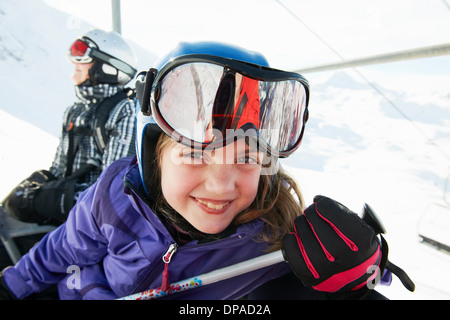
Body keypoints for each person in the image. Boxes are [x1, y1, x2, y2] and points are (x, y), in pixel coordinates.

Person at [0, 42, 413, 300]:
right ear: (153, 156)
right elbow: (61, 251)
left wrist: (356, 283)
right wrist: (12, 286)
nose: (221, 185)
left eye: (247, 159)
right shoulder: (113, 198)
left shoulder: (274, 242)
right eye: (195, 154)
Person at [1, 29, 138, 226]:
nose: (74, 61)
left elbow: (113, 188)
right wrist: (41, 188)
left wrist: (59, 200)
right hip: (66, 215)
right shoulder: (74, 110)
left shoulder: (124, 110)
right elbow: (59, 168)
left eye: (82, 57)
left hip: (94, 222)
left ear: (106, 67)